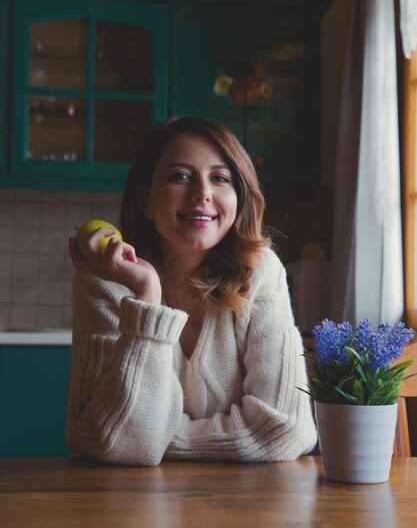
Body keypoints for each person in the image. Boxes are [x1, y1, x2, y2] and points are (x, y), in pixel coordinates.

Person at [66, 116, 317, 466]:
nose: (202, 193)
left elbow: (286, 429)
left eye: (220, 178)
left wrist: (159, 439)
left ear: (239, 199)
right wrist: (147, 295)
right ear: (145, 201)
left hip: (245, 506)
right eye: (180, 176)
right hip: (130, 509)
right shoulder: (106, 282)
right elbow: (96, 437)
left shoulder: (259, 272)